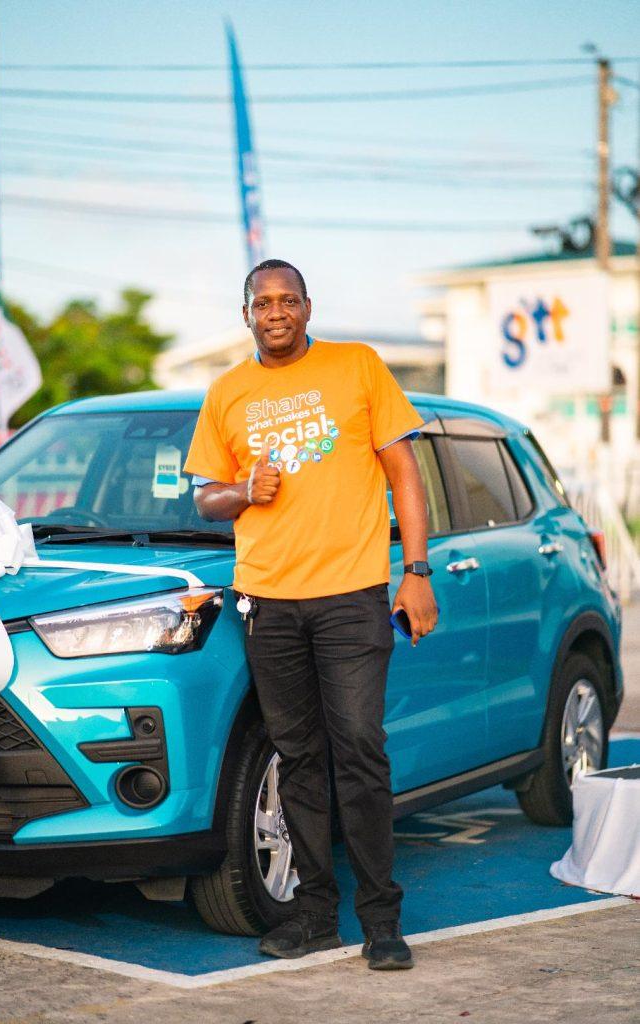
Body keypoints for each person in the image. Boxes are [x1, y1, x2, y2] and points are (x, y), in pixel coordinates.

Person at [184, 259, 438, 971]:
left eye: (287, 299)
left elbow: (404, 473)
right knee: (297, 759)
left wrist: (414, 573)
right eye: (261, 302)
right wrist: (241, 489)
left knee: (358, 749)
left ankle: (381, 920)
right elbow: (205, 498)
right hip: (266, 599)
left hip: (352, 594)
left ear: (305, 308)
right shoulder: (227, 392)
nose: (275, 311)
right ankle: (316, 912)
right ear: (245, 315)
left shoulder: (356, 367)